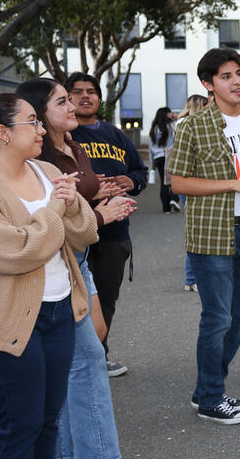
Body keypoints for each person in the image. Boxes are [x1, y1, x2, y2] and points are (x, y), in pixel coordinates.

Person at [0, 93, 99, 458]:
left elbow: (86, 233)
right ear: (2, 133)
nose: (41, 129)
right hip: (2, 320)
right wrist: (57, 208)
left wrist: (71, 206)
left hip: (59, 311)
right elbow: (15, 252)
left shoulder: (48, 172)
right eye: (31, 122)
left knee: (48, 420)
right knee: (20, 422)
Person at [16, 79, 134, 459]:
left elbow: (77, 200)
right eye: (63, 101)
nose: (73, 106)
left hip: (77, 261)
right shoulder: (39, 160)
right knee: (84, 364)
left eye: (75, 98)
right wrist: (99, 213)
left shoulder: (74, 145)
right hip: (62, 261)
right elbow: (52, 224)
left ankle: (69, 450)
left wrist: (104, 190)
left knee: (85, 353)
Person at [168, 47, 240, 425]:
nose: (237, 81)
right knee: (217, 319)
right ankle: (212, 397)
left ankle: (206, 389)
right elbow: (177, 182)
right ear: (208, 84)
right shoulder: (192, 126)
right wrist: (236, 184)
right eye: (226, 76)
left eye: (238, 73)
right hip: (212, 235)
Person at [66, 72, 148, 378]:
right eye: (77, 92)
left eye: (91, 91)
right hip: (74, 233)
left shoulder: (115, 135)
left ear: (100, 98)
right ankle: (79, 360)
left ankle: (99, 355)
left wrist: (132, 180)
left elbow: (140, 171)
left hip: (113, 233)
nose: (86, 96)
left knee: (107, 298)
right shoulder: (64, 139)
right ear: (68, 98)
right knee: (76, 300)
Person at [174, 94, 209, 291]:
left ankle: (191, 279)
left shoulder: (180, 123)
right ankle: (191, 279)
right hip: (195, 181)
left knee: (194, 231)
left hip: (184, 181)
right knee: (198, 233)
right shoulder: (192, 124)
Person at [149, 107, 178, 214]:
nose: (171, 114)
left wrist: (152, 162)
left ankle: (166, 209)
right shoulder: (171, 126)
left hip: (158, 158)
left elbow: (150, 146)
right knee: (174, 180)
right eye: (169, 112)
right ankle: (174, 199)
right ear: (166, 114)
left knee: (163, 182)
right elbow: (176, 140)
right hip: (169, 156)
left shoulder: (153, 128)